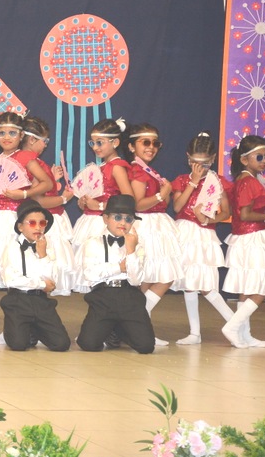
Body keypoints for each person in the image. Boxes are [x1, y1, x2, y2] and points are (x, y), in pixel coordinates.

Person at [0, 112, 53, 344]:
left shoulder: (25, 156)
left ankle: (15, 328)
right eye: (1, 132)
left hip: (15, 219)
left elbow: (47, 183)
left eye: (12, 133)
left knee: (15, 270)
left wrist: (24, 194)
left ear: (21, 135)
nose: (6, 137)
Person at [170, 132, 234, 345]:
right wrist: (194, 182)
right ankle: (194, 332)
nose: (199, 168)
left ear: (213, 159)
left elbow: (226, 212)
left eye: (204, 164)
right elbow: (177, 207)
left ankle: (235, 324)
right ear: (188, 158)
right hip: (184, 232)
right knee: (190, 284)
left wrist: (208, 219)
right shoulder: (182, 180)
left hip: (204, 234)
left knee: (206, 285)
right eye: (195, 163)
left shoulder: (218, 182)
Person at [221, 135, 265, 349]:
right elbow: (245, 214)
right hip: (252, 237)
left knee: (247, 287)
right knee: (262, 286)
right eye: (259, 157)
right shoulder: (248, 181)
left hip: (247, 237)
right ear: (244, 159)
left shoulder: (249, 179)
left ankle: (244, 334)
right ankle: (232, 327)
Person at [76, 194, 154, 354]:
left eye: (128, 219)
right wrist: (119, 267)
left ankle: (118, 329)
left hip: (130, 296)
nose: (123, 223)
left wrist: (131, 251)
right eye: (117, 217)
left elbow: (136, 280)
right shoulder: (93, 242)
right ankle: (110, 328)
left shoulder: (137, 245)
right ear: (106, 219)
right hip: (103, 296)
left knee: (146, 347)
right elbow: (90, 274)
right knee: (88, 344)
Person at [126, 123, 181, 347]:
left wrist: (164, 194)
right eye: (145, 142)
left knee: (155, 277)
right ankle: (136, 324)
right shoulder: (138, 171)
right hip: (145, 225)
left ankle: (137, 324)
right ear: (131, 146)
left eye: (155, 143)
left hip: (157, 224)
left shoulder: (149, 170)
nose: (151, 147)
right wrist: (161, 194)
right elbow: (137, 204)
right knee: (151, 277)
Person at [69, 117, 134, 288]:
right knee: (91, 265)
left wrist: (98, 206)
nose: (95, 147)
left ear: (115, 142)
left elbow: (128, 200)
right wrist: (85, 202)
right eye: (93, 143)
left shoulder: (117, 167)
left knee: (105, 262)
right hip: (90, 220)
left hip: (106, 222)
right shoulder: (101, 167)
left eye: (100, 142)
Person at [0, 199, 71, 352]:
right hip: (18, 300)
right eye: (32, 223)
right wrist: (41, 284)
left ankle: (34, 328)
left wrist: (43, 255)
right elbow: (11, 280)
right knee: (18, 344)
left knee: (61, 344)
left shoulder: (47, 247)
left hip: (41, 300)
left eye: (42, 223)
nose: (38, 227)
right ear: (20, 226)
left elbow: (52, 280)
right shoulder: (11, 248)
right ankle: (21, 328)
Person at [19, 116, 76, 295]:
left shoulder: (25, 158)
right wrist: (64, 198)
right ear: (32, 140)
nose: (45, 145)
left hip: (43, 216)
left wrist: (52, 177)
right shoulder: (32, 161)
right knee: (46, 262)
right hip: (45, 219)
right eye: (45, 141)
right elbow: (39, 201)